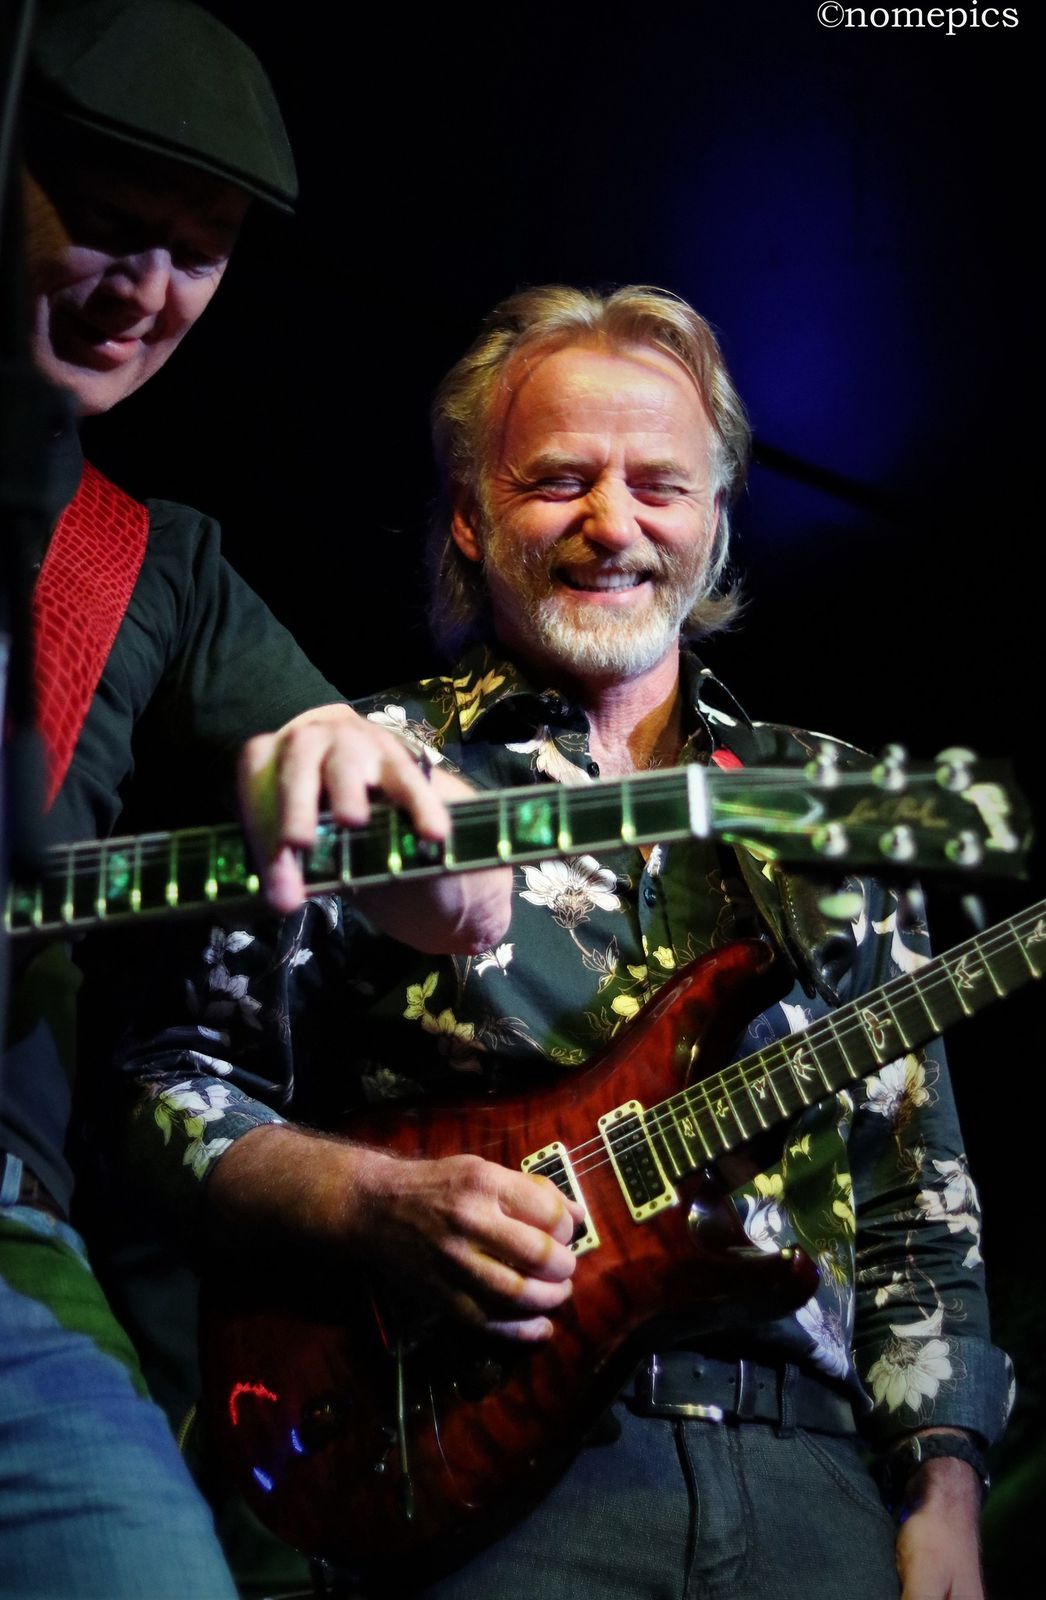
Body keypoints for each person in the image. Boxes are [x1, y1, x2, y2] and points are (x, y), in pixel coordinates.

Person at [108, 284, 1011, 1600]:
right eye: (558, 480)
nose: (612, 522)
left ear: (714, 519)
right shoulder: (368, 761)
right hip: (482, 1467)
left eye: (660, 484)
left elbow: (915, 1195)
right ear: (469, 518)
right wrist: (368, 1203)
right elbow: (163, 1088)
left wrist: (943, 1495)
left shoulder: (831, 804)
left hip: (810, 1483)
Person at [0, 4, 509, 1597]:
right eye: (108, 222)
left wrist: (371, 797)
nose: (147, 292)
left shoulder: (150, 566)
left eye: (200, 253)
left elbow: (458, 903)